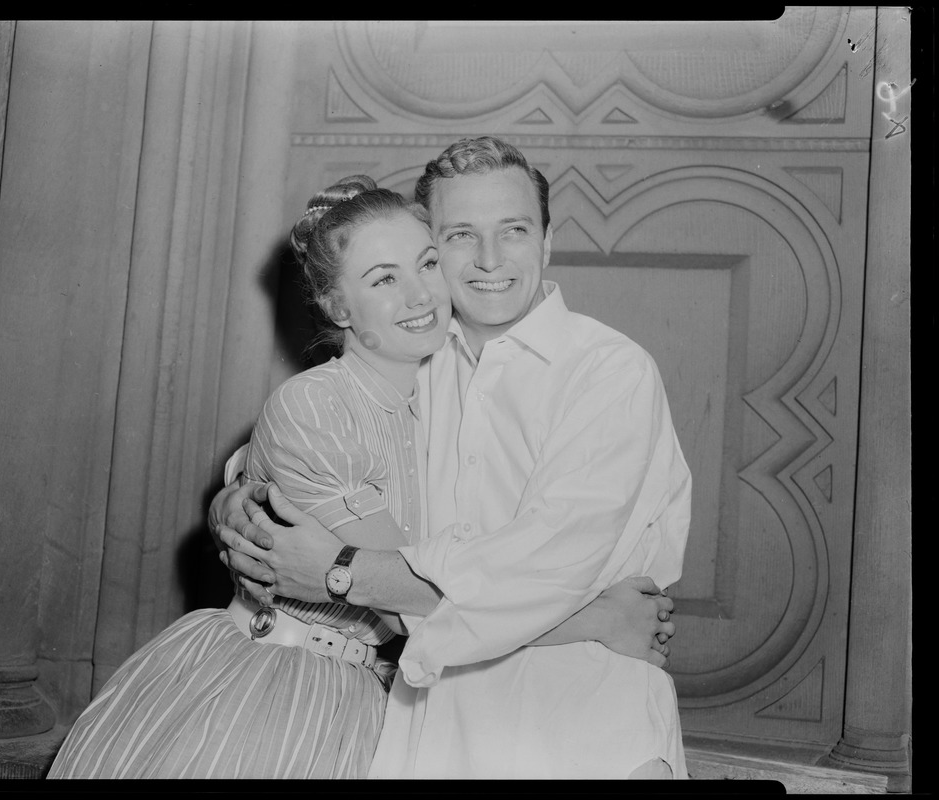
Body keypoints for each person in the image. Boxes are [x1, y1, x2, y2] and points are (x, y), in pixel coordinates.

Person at [217, 136, 692, 779]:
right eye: (461, 236)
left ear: (547, 241)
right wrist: (239, 503)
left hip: (581, 708)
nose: (490, 259)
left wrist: (339, 572)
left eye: (515, 230)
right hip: (425, 712)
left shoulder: (609, 371)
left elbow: (535, 574)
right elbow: (316, 442)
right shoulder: (422, 358)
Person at [48, 176, 452, 778]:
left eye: (428, 264)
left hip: (368, 696)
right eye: (384, 278)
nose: (420, 294)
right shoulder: (317, 405)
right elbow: (405, 608)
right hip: (274, 688)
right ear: (338, 307)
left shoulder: (444, 396)